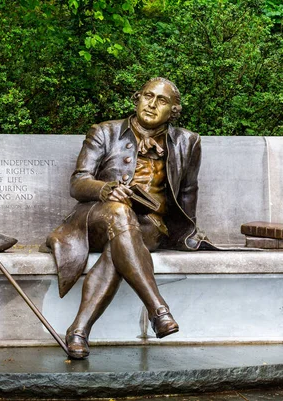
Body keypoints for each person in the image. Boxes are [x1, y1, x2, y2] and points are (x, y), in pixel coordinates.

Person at [46, 77, 216, 359]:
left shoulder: (189, 142)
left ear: (173, 111)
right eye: (147, 96)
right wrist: (106, 189)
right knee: (120, 212)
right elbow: (78, 183)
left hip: (149, 226)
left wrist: (187, 232)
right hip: (96, 218)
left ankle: (78, 330)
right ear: (137, 98)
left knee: (121, 246)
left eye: (161, 101)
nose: (151, 104)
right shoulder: (104, 132)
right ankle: (158, 308)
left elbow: (188, 191)